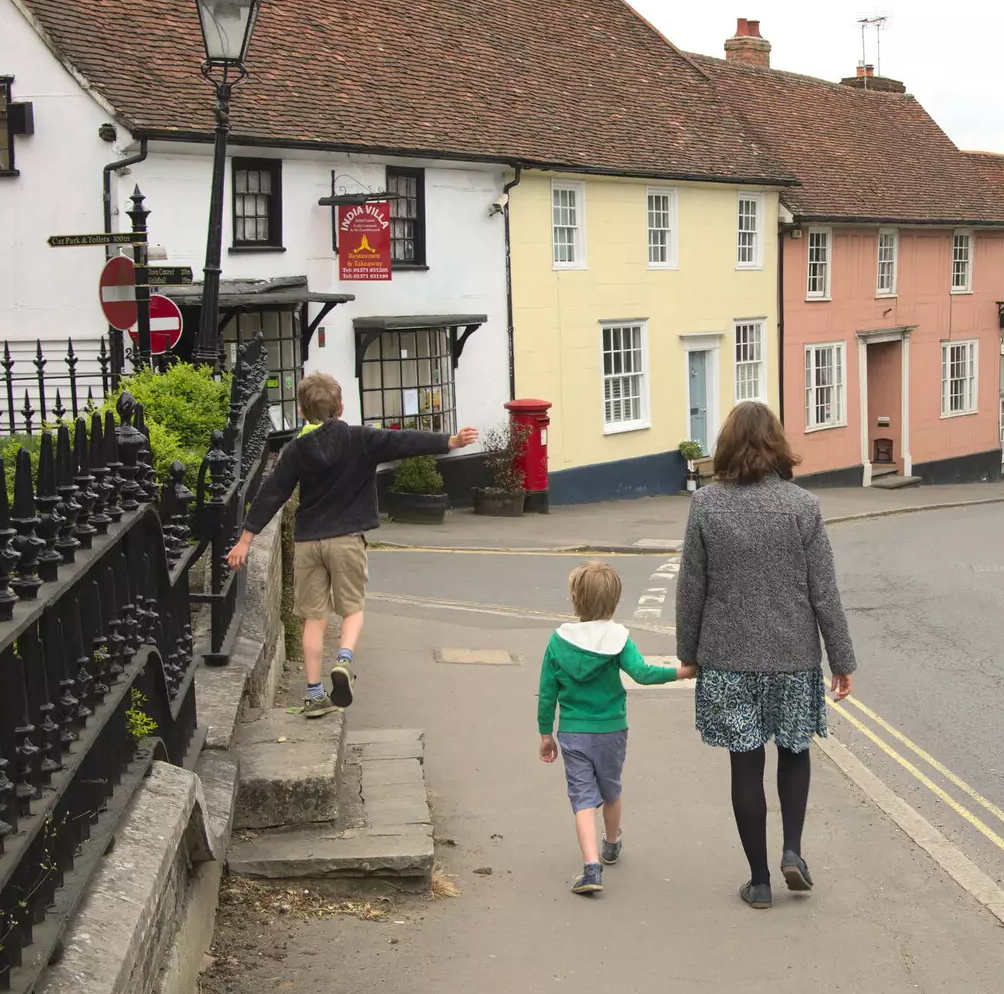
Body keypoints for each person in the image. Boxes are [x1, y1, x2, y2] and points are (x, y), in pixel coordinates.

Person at [676, 401, 855, 909]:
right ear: (777, 443)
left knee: (745, 766)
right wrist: (842, 660)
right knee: (795, 752)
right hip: (793, 657)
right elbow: (825, 591)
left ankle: (758, 882)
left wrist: (687, 653)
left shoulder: (706, 506)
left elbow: (692, 588)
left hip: (728, 658)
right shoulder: (803, 506)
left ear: (727, 444)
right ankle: (793, 851)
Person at [226, 373, 477, 717]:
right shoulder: (361, 439)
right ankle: (344, 659)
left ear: (301, 412)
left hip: (308, 543)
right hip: (346, 540)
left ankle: (313, 696)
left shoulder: (296, 450)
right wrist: (449, 440)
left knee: (312, 619)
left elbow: (273, 492)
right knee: (352, 610)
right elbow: (404, 441)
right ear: (341, 407)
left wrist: (245, 539)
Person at [538, 560, 697, 895]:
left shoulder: (558, 641)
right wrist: (682, 672)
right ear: (614, 601)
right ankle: (611, 843)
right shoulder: (618, 638)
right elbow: (642, 673)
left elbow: (547, 692)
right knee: (611, 789)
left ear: (575, 599)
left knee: (582, 798)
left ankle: (591, 868)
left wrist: (544, 734)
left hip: (572, 731)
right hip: (611, 729)